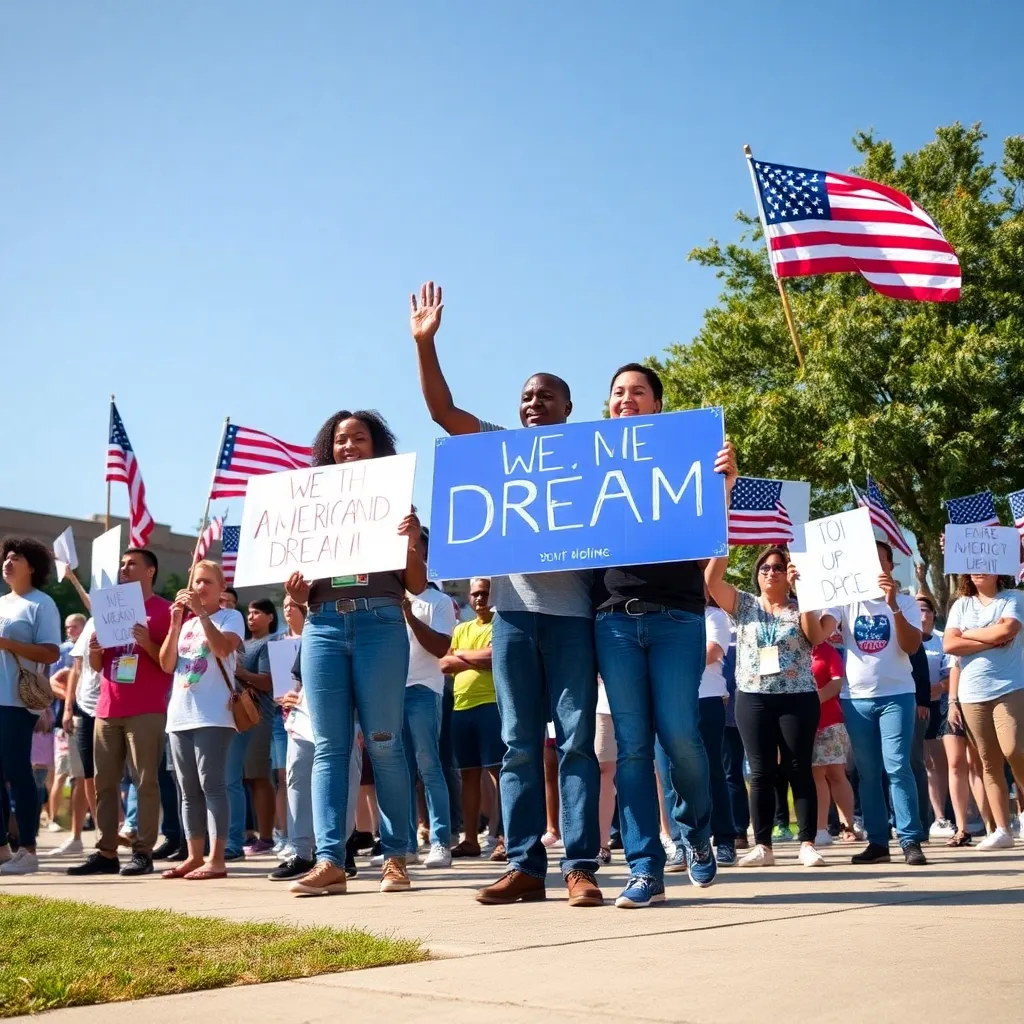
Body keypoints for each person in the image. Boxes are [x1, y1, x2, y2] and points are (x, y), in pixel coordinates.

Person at [410, 281, 602, 908]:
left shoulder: (595, 453)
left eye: (546, 395)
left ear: (570, 407)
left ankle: (580, 866)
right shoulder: (498, 449)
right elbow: (443, 412)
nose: (532, 403)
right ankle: (524, 865)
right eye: (525, 396)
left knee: (573, 743)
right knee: (518, 744)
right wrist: (425, 344)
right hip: (515, 620)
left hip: (574, 619)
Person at [592, 363, 736, 909]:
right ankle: (645, 868)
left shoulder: (686, 458)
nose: (626, 399)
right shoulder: (589, 464)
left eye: (638, 392)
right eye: (617, 392)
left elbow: (708, 538)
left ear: (656, 405)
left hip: (676, 616)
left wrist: (724, 486)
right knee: (631, 750)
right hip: (612, 620)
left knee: (680, 737)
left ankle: (695, 833)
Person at [285, 408, 425, 897]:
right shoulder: (310, 508)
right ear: (329, 448)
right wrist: (297, 592)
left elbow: (417, 583)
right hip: (322, 626)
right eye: (341, 440)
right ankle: (330, 860)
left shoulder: (396, 503)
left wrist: (411, 541)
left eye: (359, 439)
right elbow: (299, 583)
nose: (349, 447)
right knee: (330, 747)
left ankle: (395, 857)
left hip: (379, 622)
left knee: (384, 741)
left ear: (376, 446)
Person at [706, 545, 826, 869]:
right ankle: (762, 846)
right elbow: (712, 580)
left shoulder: (802, 606)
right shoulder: (743, 603)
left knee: (798, 767)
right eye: (765, 568)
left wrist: (803, 591)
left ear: (789, 575)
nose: (771, 572)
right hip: (753, 697)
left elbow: (814, 636)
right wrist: (723, 538)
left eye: (778, 567)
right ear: (757, 575)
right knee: (759, 773)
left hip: (797, 696)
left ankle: (807, 843)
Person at [819, 542, 927, 866]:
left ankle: (910, 839)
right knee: (867, 773)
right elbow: (822, 630)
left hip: (897, 696)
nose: (873, 568)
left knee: (897, 766)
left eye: (879, 562)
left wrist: (893, 606)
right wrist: (814, 598)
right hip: (856, 699)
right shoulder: (846, 604)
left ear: (891, 567)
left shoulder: (906, 603)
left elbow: (910, 645)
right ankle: (878, 842)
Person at [68, 549, 173, 877]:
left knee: (145, 782)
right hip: (107, 708)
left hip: (146, 708)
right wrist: (96, 651)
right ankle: (106, 852)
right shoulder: (109, 608)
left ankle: (143, 852)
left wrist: (147, 645)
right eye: (122, 564)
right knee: (104, 783)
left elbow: (169, 663)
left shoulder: (164, 611)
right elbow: (99, 667)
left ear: (150, 571)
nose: (124, 569)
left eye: (132, 564)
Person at [158, 559, 245, 879]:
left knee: (212, 785)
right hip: (180, 715)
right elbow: (167, 664)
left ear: (222, 588)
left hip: (213, 714)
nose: (201, 587)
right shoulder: (186, 623)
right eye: (196, 581)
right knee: (187, 789)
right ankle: (194, 856)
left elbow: (223, 650)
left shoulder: (231, 616)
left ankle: (217, 858)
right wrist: (174, 623)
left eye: (208, 581)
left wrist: (204, 615)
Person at [943, 572, 1024, 850]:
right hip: (972, 694)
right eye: (973, 565)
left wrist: (967, 636)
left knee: (1014, 750)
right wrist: (990, 638)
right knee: (988, 763)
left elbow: (1008, 630)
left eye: (986, 564)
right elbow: (950, 644)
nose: (979, 570)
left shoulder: (1014, 598)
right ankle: (1002, 829)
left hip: (1010, 687)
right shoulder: (961, 605)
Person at [0, 539, 63, 875]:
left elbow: (51, 653)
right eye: (6, 557)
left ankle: (28, 849)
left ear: (33, 566)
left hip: (16, 701)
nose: (8, 562)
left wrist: (7, 643)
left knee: (17, 772)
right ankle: (1, 849)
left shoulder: (42, 604)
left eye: (17, 557)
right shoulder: (0, 602)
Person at [396, 532, 457, 868]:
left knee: (428, 765)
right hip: (390, 692)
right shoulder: (390, 597)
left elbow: (439, 648)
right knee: (397, 770)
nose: (410, 553)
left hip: (423, 690)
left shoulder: (440, 602)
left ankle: (440, 842)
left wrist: (409, 615)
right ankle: (403, 844)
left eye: (415, 548)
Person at [442, 578, 506, 858]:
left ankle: (504, 836)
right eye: (475, 594)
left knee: (499, 773)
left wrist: (462, 656)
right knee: (468, 774)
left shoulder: (503, 624)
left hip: (491, 704)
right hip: (461, 707)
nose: (479, 599)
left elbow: (495, 656)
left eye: (485, 593)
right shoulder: (462, 628)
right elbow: (445, 663)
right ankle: (471, 839)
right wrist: (475, 657)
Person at [225, 599, 277, 859]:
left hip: (258, 716)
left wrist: (239, 672)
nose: (251, 617)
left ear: (270, 617)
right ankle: (246, 833)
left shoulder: (269, 644)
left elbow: (268, 682)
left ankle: (267, 836)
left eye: (257, 612)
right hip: (234, 718)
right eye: (249, 612)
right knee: (239, 779)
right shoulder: (239, 643)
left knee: (258, 776)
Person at [53, 616, 102, 858]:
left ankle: (106, 834)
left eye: (74, 626)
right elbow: (76, 668)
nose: (70, 630)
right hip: (82, 711)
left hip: (109, 710)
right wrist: (69, 707)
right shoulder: (91, 624)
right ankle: (75, 836)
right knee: (80, 776)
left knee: (101, 776)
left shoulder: (119, 619)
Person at [810, 640, 857, 844]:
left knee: (836, 773)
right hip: (801, 723)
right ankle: (820, 829)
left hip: (829, 721)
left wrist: (810, 702)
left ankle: (849, 827)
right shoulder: (791, 648)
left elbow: (836, 682)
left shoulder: (827, 650)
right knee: (815, 774)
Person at [940, 659, 991, 846]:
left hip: (979, 699)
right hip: (953, 702)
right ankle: (962, 829)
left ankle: (990, 825)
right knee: (955, 764)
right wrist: (953, 702)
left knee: (976, 764)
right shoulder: (955, 632)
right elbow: (954, 666)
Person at [917, 595, 954, 838]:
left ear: (933, 613)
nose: (923, 614)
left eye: (926, 609)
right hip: (912, 706)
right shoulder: (904, 637)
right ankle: (934, 817)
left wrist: (940, 687)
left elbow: (953, 672)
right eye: (917, 609)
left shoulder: (942, 639)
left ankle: (944, 818)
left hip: (940, 706)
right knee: (922, 765)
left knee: (941, 763)